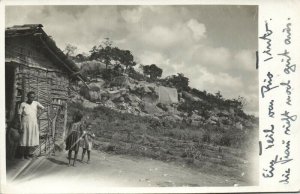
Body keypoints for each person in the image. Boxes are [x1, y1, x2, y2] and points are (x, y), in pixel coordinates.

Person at [18, 91, 44, 159]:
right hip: (25, 124)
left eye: (33, 97)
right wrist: (20, 124)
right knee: (24, 139)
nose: (32, 98)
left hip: (33, 123)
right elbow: (19, 114)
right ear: (28, 97)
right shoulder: (23, 104)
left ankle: (27, 154)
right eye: (31, 97)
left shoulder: (36, 103)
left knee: (30, 139)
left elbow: (43, 108)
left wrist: (38, 116)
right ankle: (21, 155)